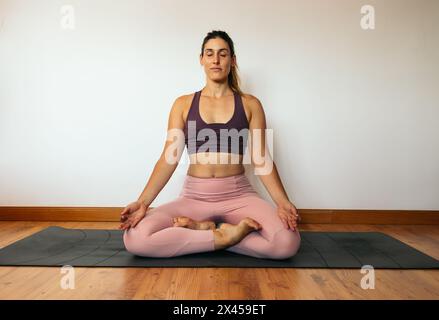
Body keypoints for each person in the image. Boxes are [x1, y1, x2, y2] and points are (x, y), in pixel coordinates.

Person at [119, 30, 301, 259]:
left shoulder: (250, 104)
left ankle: (207, 232)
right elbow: (169, 157)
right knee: (135, 238)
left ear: (232, 60)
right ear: (201, 59)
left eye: (223, 54)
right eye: (210, 54)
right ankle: (224, 236)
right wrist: (143, 202)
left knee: (287, 242)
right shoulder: (183, 104)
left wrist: (283, 203)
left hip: (238, 196)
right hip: (194, 197)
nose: (216, 60)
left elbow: (261, 158)